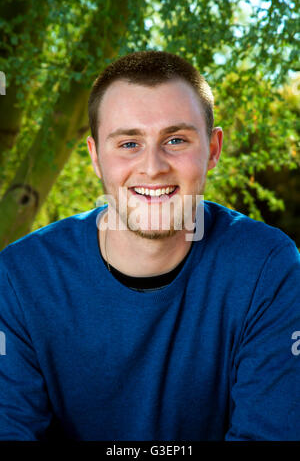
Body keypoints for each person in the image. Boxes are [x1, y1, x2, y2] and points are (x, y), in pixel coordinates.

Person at [0, 50, 299, 441]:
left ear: (212, 150)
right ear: (95, 157)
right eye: (128, 143)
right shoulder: (21, 279)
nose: (153, 166)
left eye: (175, 140)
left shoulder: (268, 268)